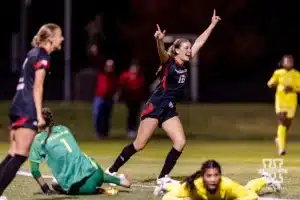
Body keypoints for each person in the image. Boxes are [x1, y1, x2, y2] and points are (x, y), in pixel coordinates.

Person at [106, 10, 221, 186]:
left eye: (190, 48)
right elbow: (161, 52)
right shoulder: (169, 62)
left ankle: (163, 177)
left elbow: (200, 41)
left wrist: (212, 25)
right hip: (155, 106)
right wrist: (159, 40)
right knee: (139, 144)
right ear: (176, 51)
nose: (190, 50)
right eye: (186, 48)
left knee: (180, 142)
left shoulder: (186, 62)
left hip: (168, 109)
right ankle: (111, 171)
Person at [0, 23, 64, 200]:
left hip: (17, 104)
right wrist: (38, 114)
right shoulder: (42, 55)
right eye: (60, 35)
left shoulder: (32, 53)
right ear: (51, 38)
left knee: (13, 153)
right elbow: (38, 86)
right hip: (26, 107)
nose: (62, 39)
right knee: (20, 155)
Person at [29, 108, 131, 195]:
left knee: (55, 183)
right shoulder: (64, 128)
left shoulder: (39, 139)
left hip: (82, 186)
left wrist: (45, 189)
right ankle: (118, 180)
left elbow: (34, 170)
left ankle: (94, 190)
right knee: (85, 161)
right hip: (97, 172)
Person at [158, 160, 281, 200]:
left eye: (216, 175)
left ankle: (265, 179)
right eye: (209, 176)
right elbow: (167, 198)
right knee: (179, 189)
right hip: (190, 190)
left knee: (248, 188)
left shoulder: (227, 185)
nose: (212, 179)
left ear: (220, 176)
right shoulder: (195, 186)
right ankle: (166, 183)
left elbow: (253, 196)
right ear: (203, 177)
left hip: (228, 195)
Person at [267, 55, 300, 156]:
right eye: (287, 61)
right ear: (283, 62)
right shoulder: (278, 72)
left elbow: (299, 88)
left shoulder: (297, 74)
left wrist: (293, 89)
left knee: (287, 122)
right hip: (280, 100)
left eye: (291, 61)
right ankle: (281, 148)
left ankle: (278, 139)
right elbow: (270, 83)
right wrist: (273, 84)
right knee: (282, 120)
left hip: (291, 101)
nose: (289, 63)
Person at [119, 60, 145, 138]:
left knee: (136, 114)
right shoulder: (125, 76)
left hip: (137, 99)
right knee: (131, 114)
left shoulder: (140, 77)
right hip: (129, 99)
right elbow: (122, 86)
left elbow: (141, 88)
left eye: (136, 68)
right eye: (134, 68)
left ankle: (134, 130)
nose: (135, 69)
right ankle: (130, 130)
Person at [93, 59, 118, 139]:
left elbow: (116, 88)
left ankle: (105, 133)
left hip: (109, 98)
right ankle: (98, 133)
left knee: (107, 117)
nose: (109, 68)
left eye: (111, 66)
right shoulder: (101, 74)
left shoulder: (114, 77)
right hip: (99, 97)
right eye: (108, 66)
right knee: (97, 115)